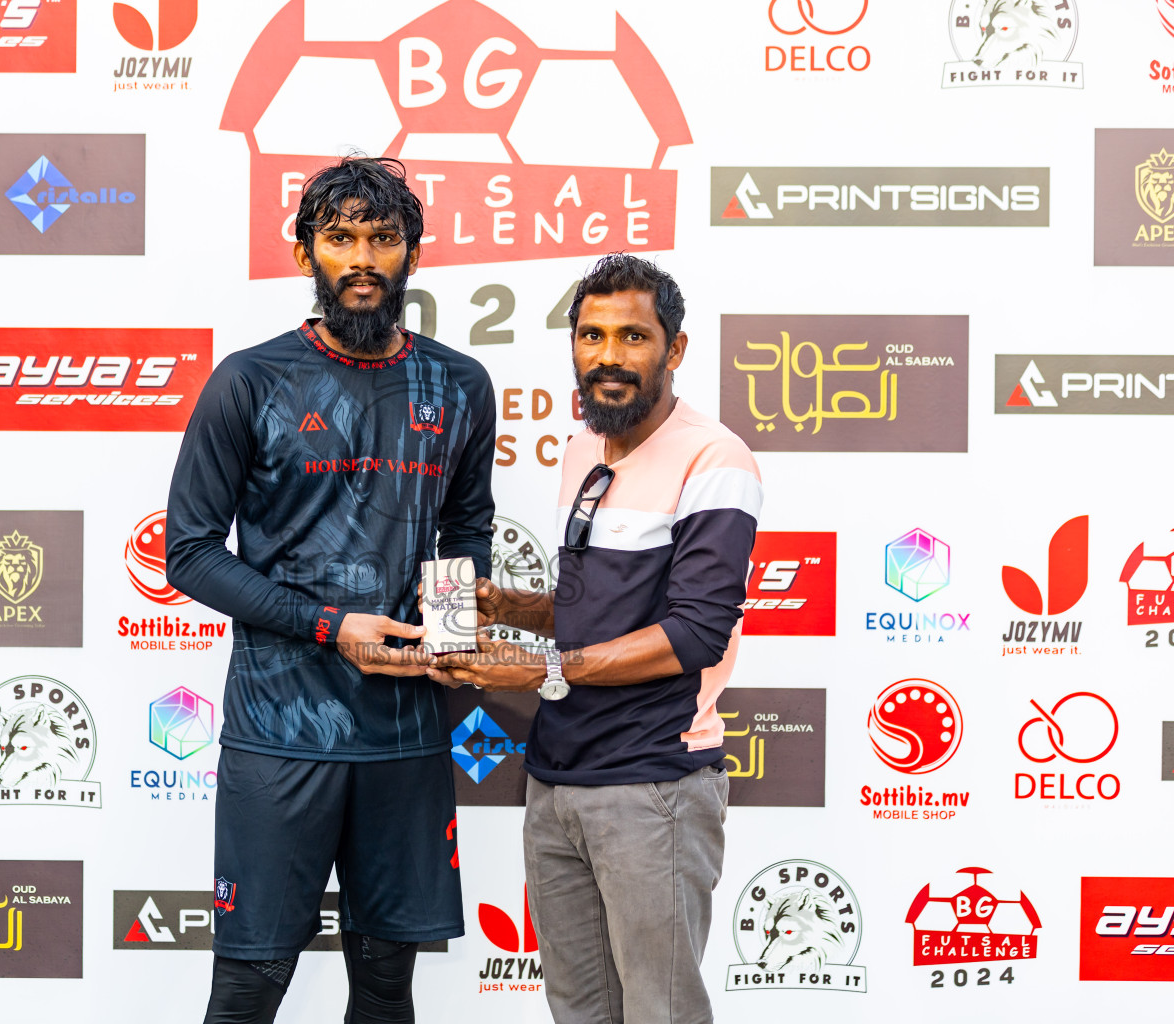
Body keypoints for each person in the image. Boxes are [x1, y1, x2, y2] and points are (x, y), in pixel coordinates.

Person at [164, 155, 497, 1024]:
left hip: (405, 734)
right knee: (247, 987)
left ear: (411, 256)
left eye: (382, 238)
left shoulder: (459, 384)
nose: (360, 257)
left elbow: (463, 529)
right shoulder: (249, 379)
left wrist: (455, 634)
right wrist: (326, 626)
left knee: (387, 989)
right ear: (306, 250)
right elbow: (190, 552)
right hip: (281, 733)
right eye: (339, 236)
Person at [427, 254, 761, 1024]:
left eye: (633, 336)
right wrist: (505, 603)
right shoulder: (583, 449)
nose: (607, 356)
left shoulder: (717, 459)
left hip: (652, 787)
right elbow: (597, 612)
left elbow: (693, 632)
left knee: (660, 1013)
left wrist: (541, 666)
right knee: (579, 1012)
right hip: (555, 783)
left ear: (674, 350)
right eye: (590, 335)